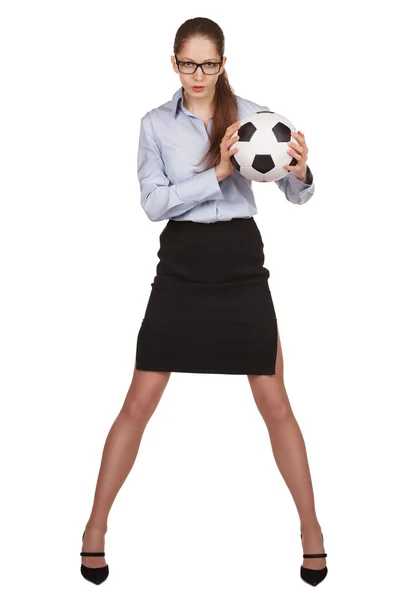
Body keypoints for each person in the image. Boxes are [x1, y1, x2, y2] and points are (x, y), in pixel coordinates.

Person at [80, 16, 328, 587]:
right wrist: (217, 171)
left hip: (241, 265)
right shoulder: (152, 125)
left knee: (276, 404)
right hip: (183, 266)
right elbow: (153, 204)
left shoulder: (255, 118)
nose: (198, 74)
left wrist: (301, 168)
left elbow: (298, 192)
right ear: (174, 63)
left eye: (208, 63)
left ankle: (311, 531)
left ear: (223, 62)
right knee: (137, 404)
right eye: (188, 63)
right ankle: (95, 529)